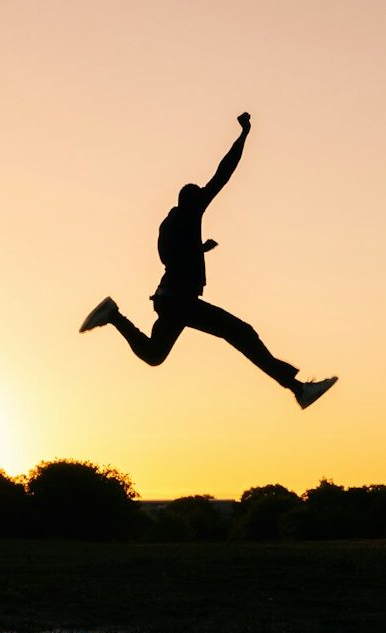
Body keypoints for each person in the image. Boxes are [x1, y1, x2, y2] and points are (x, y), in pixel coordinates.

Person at [80, 112, 337, 410]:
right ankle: (298, 389)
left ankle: (113, 315)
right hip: (179, 300)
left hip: (170, 298)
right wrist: (244, 135)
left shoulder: (171, 223)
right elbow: (222, 174)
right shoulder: (190, 211)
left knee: (154, 355)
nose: (204, 195)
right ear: (190, 200)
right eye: (199, 195)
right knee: (241, 332)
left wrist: (199, 249)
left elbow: (169, 257)